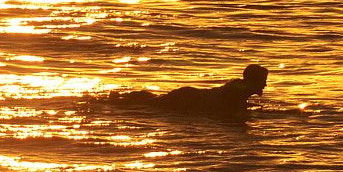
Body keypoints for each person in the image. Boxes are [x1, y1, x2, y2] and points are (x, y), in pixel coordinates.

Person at [108, 64, 269, 114]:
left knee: (152, 101)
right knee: (149, 105)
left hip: (191, 96)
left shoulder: (239, 90)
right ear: (252, 81)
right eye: (263, 81)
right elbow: (229, 110)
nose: (265, 85)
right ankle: (116, 100)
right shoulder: (236, 93)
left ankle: (122, 97)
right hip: (189, 98)